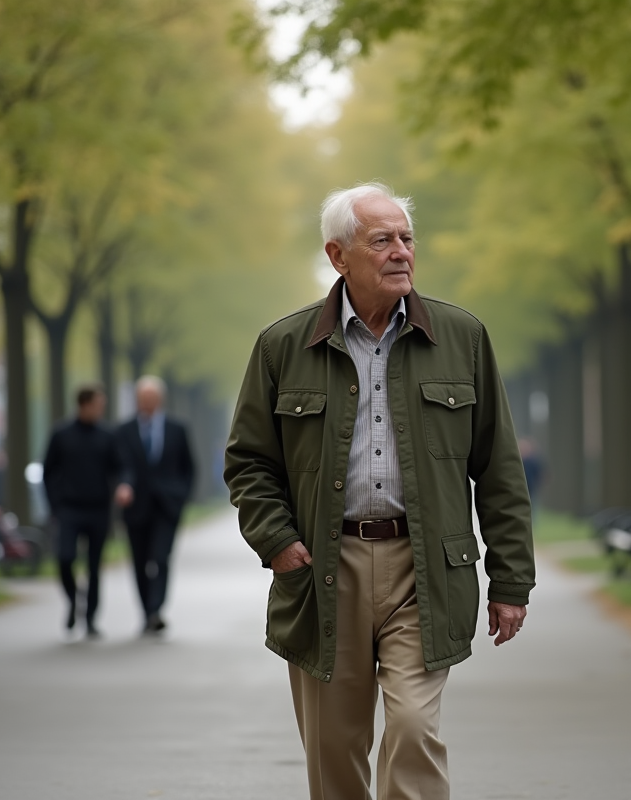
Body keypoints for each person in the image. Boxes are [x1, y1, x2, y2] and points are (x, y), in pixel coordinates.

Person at [224, 182, 535, 800]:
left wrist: (512, 581)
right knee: (335, 751)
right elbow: (249, 462)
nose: (400, 252)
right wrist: (279, 544)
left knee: (415, 727)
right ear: (338, 257)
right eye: (382, 240)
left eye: (406, 239)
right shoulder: (284, 346)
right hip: (322, 569)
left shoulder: (461, 336)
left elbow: (498, 467)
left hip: (424, 568)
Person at [116, 376, 196, 635]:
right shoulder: (124, 430)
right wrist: (121, 486)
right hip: (135, 507)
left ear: (160, 399)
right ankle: (147, 612)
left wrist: (182, 497)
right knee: (140, 561)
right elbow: (118, 466)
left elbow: (189, 467)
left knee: (160, 558)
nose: (147, 404)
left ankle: (156, 609)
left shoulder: (177, 428)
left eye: (151, 399)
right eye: (142, 399)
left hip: (166, 507)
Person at [42, 384, 124, 637]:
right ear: (84, 404)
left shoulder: (108, 435)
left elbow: (120, 467)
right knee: (65, 558)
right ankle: (73, 600)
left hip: (98, 509)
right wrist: (54, 504)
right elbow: (48, 471)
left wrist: (122, 486)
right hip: (68, 508)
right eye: (99, 404)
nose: (102, 409)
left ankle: (90, 619)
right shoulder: (61, 434)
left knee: (94, 566)